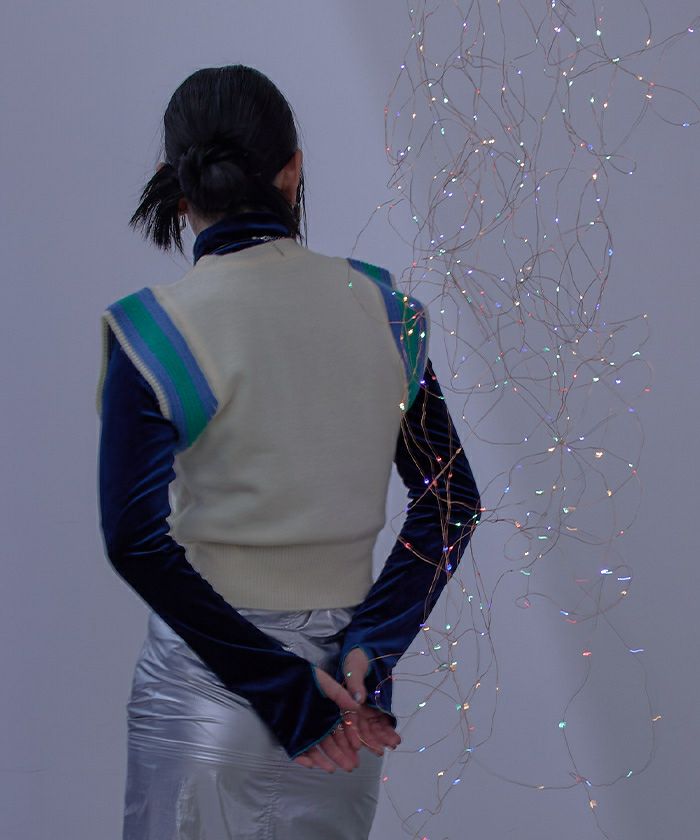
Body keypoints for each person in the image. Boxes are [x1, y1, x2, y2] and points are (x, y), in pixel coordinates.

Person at [96, 64, 481, 840]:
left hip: (210, 689)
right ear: (293, 169)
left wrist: (280, 691)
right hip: (345, 695)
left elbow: (134, 540)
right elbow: (450, 500)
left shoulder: (154, 330)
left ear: (178, 183)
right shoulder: (386, 312)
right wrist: (370, 648)